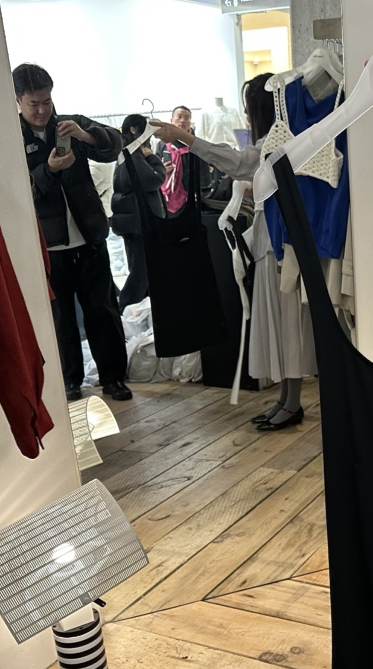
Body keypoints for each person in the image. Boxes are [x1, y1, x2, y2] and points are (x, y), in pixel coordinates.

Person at [151, 75, 314, 432]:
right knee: (278, 324)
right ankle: (287, 399)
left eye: (250, 108)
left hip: (280, 244)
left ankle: (292, 402)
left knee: (287, 324)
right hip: (270, 241)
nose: (247, 115)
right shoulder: (274, 142)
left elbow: (238, 163)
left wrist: (184, 138)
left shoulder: (279, 142)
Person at [13, 63, 131, 402]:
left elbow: (114, 145)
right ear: (18, 100)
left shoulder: (69, 123)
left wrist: (86, 135)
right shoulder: (11, 140)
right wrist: (49, 170)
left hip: (90, 238)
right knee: (61, 317)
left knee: (103, 310)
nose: (42, 110)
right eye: (34, 104)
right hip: (48, 246)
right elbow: (20, 191)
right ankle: (69, 380)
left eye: (47, 101)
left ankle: (113, 379)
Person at [112, 113, 167, 314]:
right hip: (139, 221)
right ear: (135, 130)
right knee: (141, 272)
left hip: (134, 220)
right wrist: (153, 158)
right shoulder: (134, 154)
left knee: (142, 270)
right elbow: (154, 180)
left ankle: (136, 312)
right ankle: (125, 310)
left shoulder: (125, 153)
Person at [155, 104, 210, 213]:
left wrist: (202, 198)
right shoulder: (162, 144)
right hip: (166, 198)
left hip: (192, 199)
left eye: (187, 118)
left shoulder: (198, 144)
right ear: (171, 120)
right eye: (179, 117)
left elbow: (205, 175)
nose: (183, 120)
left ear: (190, 122)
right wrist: (162, 170)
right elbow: (156, 170)